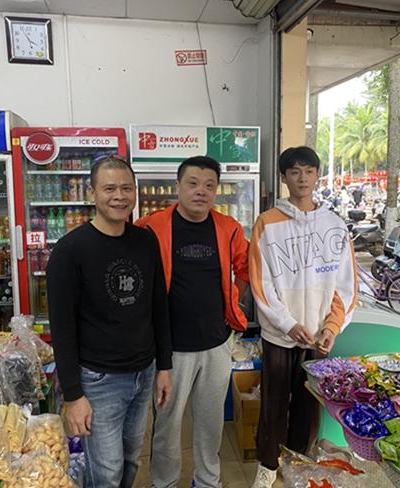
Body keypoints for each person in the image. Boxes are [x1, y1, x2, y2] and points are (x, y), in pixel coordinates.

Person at [47, 157, 172, 488]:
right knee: (106, 472)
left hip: (143, 373)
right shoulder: (70, 251)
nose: (119, 196)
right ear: (92, 193)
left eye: (127, 188)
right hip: (99, 380)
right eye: (109, 189)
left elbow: (158, 306)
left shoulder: (145, 241)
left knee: (131, 459)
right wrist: (73, 395)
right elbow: (62, 328)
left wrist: (164, 366)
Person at [136, 156, 249, 488]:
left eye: (209, 185)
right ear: (178, 186)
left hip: (217, 343)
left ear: (216, 190)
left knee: (210, 423)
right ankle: (165, 482)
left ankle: (207, 481)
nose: (201, 191)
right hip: (170, 350)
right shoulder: (150, 227)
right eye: (193, 183)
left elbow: (245, 268)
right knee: (167, 425)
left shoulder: (228, 228)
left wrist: (233, 300)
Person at [249, 146, 358, 487]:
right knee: (273, 404)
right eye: (295, 171)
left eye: (309, 171)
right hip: (280, 335)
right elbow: (261, 283)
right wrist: (287, 323)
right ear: (284, 177)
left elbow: (345, 284)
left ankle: (298, 464)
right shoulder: (267, 223)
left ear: (317, 175)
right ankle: (267, 467)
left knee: (309, 406)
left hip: (317, 337)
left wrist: (332, 326)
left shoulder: (335, 225)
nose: (302, 178)